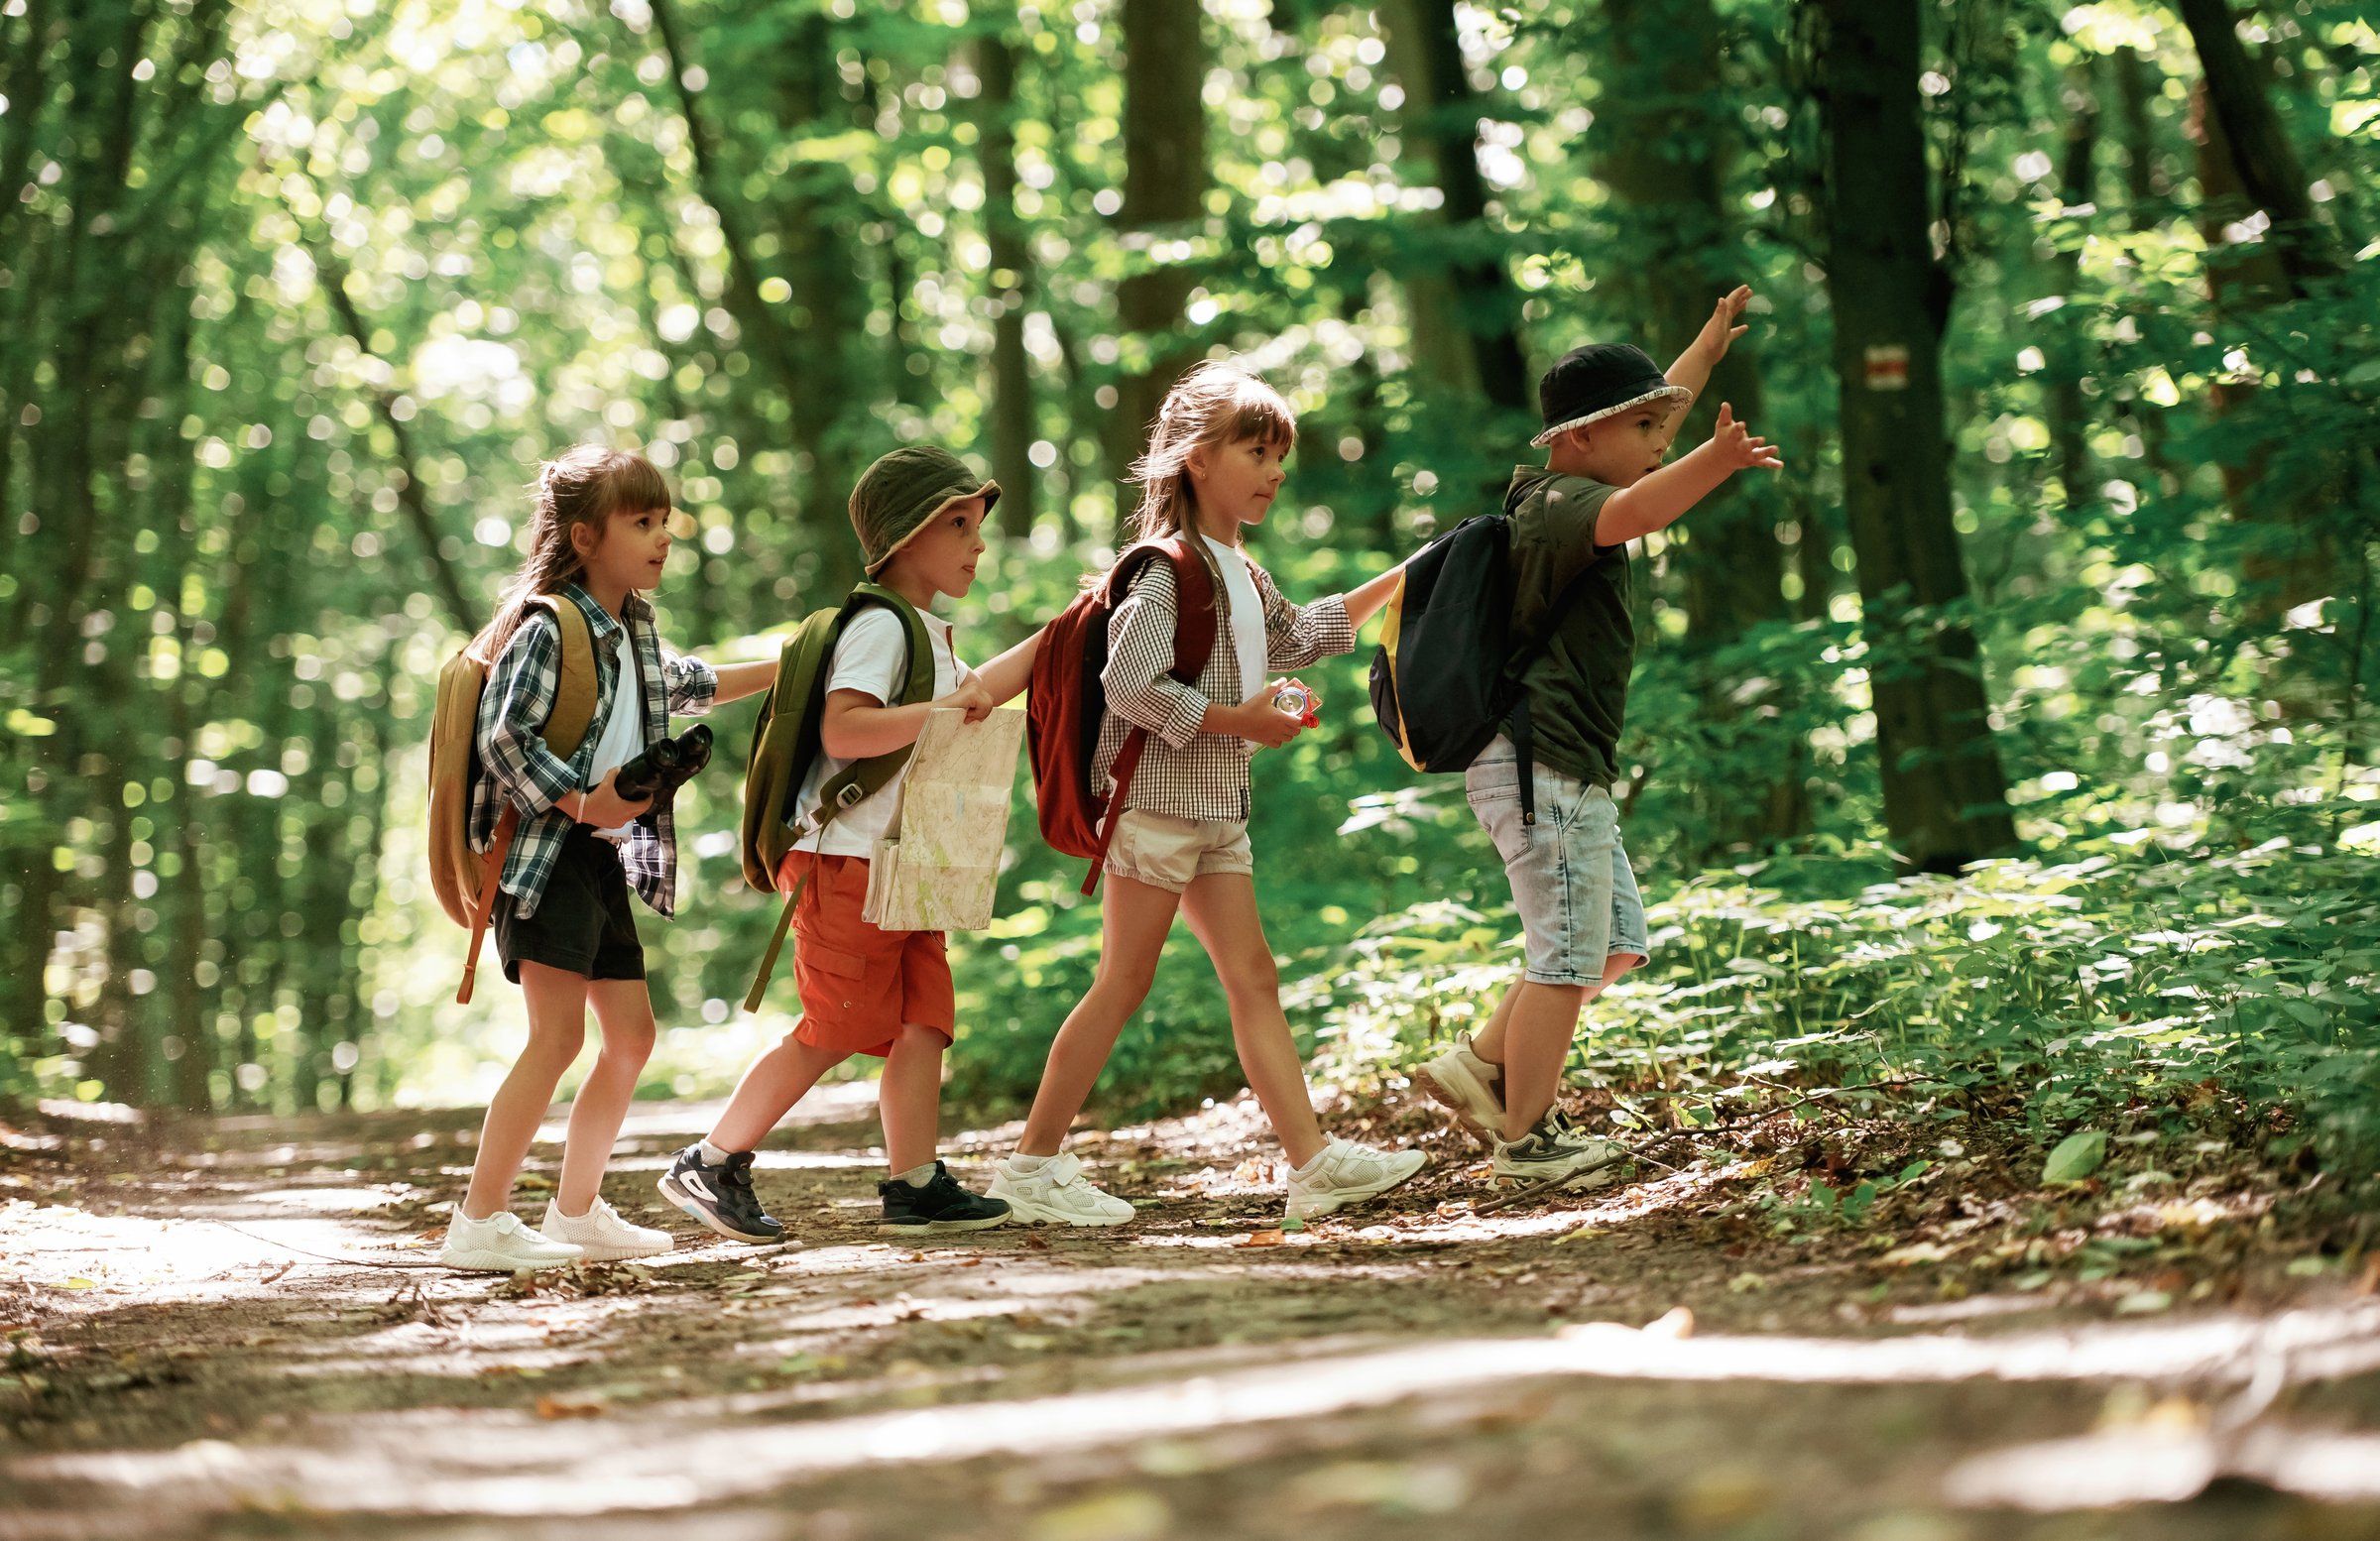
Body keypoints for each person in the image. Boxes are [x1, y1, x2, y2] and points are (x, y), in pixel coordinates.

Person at [989, 361, 1427, 1226]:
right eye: (1256, 453)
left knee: (1253, 976)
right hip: (1156, 808)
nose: (1274, 472)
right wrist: (1238, 719)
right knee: (1123, 981)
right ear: (1196, 459)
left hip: (1217, 809)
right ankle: (1031, 1167)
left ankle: (1313, 1164)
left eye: (1279, 457)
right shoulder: (1167, 570)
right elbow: (1128, 683)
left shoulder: (1242, 571)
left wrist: (1409, 573)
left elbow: (1301, 635)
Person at [1414, 287, 1784, 1187]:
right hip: (1537, 764)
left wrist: (1703, 352)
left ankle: (1480, 1065)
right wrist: (1715, 460)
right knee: (1566, 958)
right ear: (1579, 436)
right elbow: (1647, 507)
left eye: (1666, 427)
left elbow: (1646, 441)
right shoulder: (1564, 504)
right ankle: (1528, 1141)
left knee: (1609, 944)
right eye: (1647, 429)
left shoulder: (1573, 482)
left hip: (1562, 765)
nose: (1663, 441)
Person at [659, 446, 1043, 1242]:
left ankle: (915, 1182)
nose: (977, 542)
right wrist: (941, 714)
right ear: (905, 536)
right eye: (958, 524)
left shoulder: (928, 633)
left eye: (977, 524)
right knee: (835, 1022)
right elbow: (845, 728)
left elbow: (979, 695)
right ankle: (711, 1160)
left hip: (905, 860)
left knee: (923, 1021)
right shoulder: (879, 626)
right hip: (846, 858)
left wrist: (1067, 631)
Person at [442, 446, 775, 1271]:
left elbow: (692, 684)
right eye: (642, 521)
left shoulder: (632, 633)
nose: (663, 536)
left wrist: (796, 663)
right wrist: (582, 801)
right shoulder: (549, 627)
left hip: (599, 862)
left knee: (630, 1038)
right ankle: (478, 1221)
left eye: (665, 521)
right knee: (556, 1039)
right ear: (586, 537)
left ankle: (576, 1214)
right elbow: (503, 736)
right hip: (545, 858)